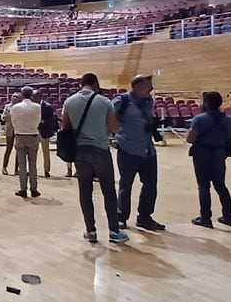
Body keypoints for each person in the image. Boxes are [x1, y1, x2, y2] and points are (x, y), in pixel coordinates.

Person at [62, 73, 125, 243]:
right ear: (96, 84)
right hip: (100, 149)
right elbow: (114, 128)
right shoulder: (104, 102)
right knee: (108, 191)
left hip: (80, 152)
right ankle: (114, 231)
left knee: (85, 192)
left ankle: (91, 231)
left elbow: (64, 127)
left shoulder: (69, 102)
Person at [113, 74, 165, 231]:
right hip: (128, 148)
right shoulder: (121, 101)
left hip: (147, 149)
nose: (151, 88)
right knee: (126, 184)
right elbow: (108, 116)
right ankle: (121, 217)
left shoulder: (148, 101)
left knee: (150, 185)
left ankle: (144, 217)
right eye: (147, 85)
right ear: (136, 86)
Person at [187, 91, 231, 228]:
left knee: (204, 186)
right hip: (219, 154)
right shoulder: (228, 119)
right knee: (221, 185)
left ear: (207, 103)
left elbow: (190, 139)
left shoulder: (199, 119)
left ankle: (205, 217)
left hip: (202, 154)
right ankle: (228, 216)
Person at [9, 87, 42, 198]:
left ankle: (23, 189)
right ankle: (34, 189)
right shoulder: (37, 107)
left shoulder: (16, 107)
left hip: (20, 136)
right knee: (33, 164)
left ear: (22, 95)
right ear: (32, 95)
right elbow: (38, 121)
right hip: (33, 136)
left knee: (22, 165)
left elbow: (13, 122)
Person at [38, 97, 60, 178]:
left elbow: (52, 119)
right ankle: (32, 169)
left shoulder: (47, 106)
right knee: (32, 151)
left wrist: (43, 121)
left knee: (45, 151)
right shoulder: (32, 105)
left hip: (44, 130)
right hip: (33, 130)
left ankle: (46, 170)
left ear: (39, 95)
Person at [0, 92, 21, 175]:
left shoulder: (21, 107)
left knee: (19, 149)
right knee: (9, 148)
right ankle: (4, 167)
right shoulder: (7, 106)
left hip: (19, 129)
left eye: (17, 97)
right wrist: (5, 117)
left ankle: (17, 169)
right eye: (14, 96)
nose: (15, 98)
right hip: (10, 129)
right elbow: (3, 116)